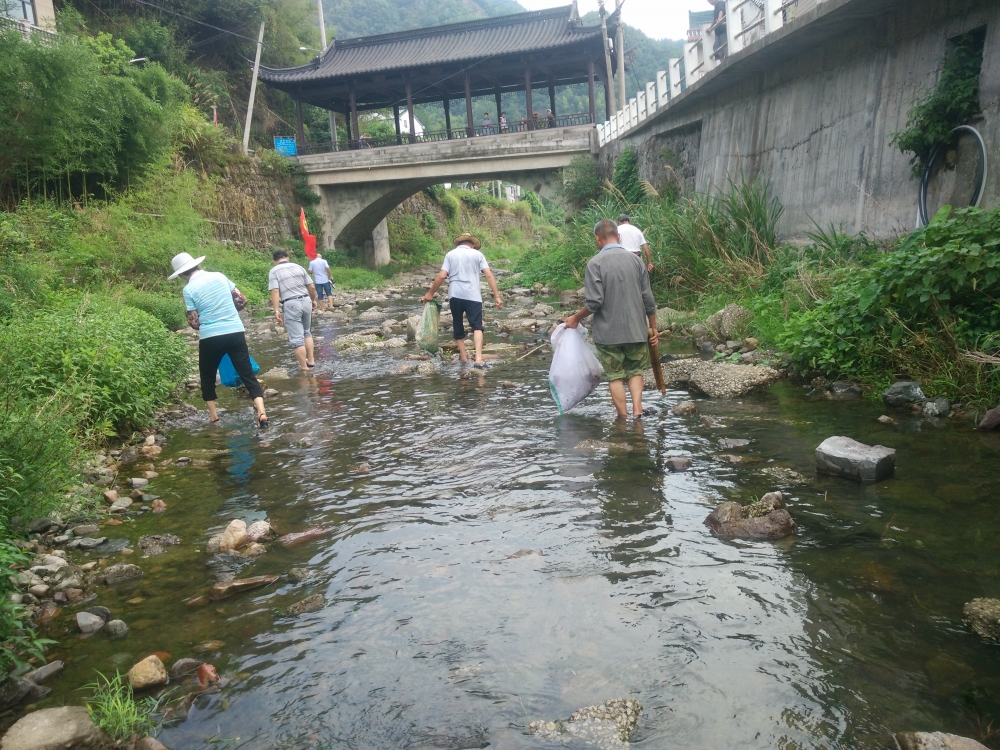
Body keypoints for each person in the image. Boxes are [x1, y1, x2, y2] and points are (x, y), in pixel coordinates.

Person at [563, 220, 658, 420]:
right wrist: (653, 327)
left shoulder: (594, 263)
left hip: (608, 334)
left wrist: (575, 318)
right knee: (635, 371)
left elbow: (594, 302)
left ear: (598, 239)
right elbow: (648, 299)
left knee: (614, 376)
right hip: (636, 330)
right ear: (619, 237)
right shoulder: (637, 261)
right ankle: (638, 411)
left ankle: (623, 418)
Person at [170, 252, 269, 429]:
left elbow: (194, 322)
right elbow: (241, 300)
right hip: (235, 331)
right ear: (196, 265)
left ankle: (214, 417)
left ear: (181, 274)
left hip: (210, 337)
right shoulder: (219, 276)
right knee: (247, 373)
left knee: (207, 376)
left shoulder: (188, 289)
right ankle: (262, 413)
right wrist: (227, 314)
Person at [422, 233, 504, 368]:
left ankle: (464, 358)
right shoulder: (478, 255)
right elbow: (489, 274)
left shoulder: (450, 254)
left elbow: (442, 275)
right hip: (473, 295)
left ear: (459, 243)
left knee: (457, 324)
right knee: (477, 326)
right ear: (472, 244)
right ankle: (478, 358)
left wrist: (430, 293)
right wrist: (497, 297)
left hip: (455, 294)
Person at [268, 249, 318, 372]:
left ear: (275, 261)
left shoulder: (274, 271)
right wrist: (312, 300)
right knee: (307, 332)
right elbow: (311, 286)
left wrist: (276, 310)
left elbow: (275, 291)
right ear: (287, 257)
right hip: (305, 300)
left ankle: (304, 368)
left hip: (290, 303)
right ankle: (311, 361)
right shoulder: (299, 267)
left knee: (296, 337)